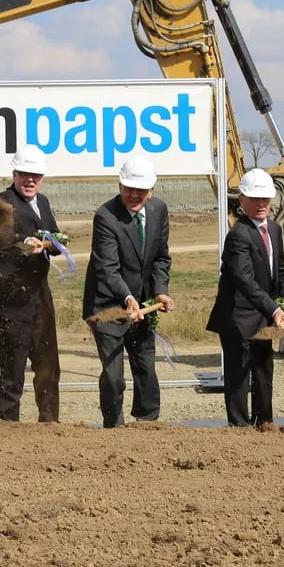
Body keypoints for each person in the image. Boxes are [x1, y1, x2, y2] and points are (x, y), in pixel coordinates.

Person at [81, 155, 175, 427]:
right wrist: (127, 297)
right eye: (128, 189)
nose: (134, 195)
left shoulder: (159, 210)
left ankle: (147, 423)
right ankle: (114, 427)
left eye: (140, 190)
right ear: (119, 186)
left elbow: (161, 258)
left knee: (145, 367)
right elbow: (107, 268)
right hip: (108, 304)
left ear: (151, 191)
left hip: (142, 304)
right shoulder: (106, 216)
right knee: (114, 375)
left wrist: (160, 290)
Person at [206, 168, 284, 427]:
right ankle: (239, 427)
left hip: (263, 315)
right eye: (255, 199)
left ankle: (264, 422)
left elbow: (281, 269)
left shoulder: (274, 229)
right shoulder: (238, 234)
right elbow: (244, 281)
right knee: (238, 376)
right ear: (242, 200)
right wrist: (274, 310)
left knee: (264, 370)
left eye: (265, 199)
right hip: (238, 318)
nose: (261, 204)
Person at [0, 145, 63, 422]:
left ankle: (50, 424)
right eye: (25, 174)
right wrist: (27, 242)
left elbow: (55, 237)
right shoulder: (0, 204)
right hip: (10, 298)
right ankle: (8, 427)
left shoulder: (44, 202)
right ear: (14, 174)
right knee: (13, 369)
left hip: (39, 295)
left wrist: (54, 244)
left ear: (42, 178)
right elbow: (4, 239)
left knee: (48, 364)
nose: (30, 180)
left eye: (35, 175)